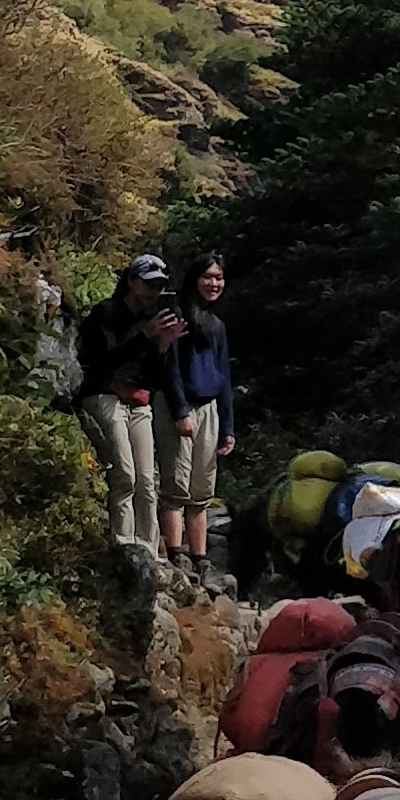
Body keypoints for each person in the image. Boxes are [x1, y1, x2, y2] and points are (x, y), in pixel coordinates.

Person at [72, 253, 181, 562]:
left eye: (159, 286)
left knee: (148, 481)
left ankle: (147, 550)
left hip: (137, 401)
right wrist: (144, 337)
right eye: (148, 284)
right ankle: (123, 546)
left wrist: (161, 346)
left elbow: (155, 378)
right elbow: (99, 362)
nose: (153, 292)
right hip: (103, 394)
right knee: (125, 475)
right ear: (132, 282)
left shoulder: (153, 319)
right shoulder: (106, 313)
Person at [167, 245, 237, 585]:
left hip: (209, 409)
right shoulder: (177, 317)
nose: (214, 283)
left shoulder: (216, 325)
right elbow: (170, 369)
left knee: (202, 489)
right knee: (176, 485)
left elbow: (224, 376)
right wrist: (180, 410)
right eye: (207, 277)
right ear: (194, 280)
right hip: (182, 408)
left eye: (219, 277)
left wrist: (228, 426)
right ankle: (174, 554)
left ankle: (200, 558)